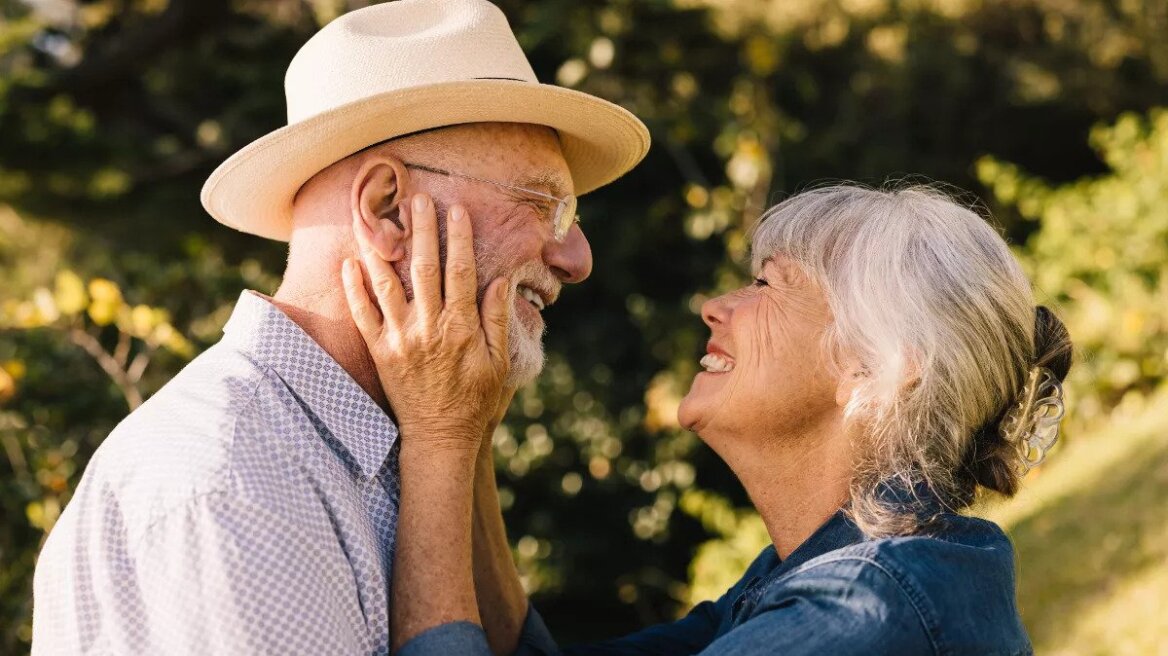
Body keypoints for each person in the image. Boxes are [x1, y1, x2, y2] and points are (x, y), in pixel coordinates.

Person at [31, 0, 649, 653]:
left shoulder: (373, 445)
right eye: (541, 204)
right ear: (387, 211)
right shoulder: (234, 487)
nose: (576, 258)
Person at [345, 184, 1073, 655]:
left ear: (876, 366)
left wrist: (438, 434)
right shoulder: (827, 569)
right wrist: (468, 427)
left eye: (767, 284)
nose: (716, 305)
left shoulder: (864, 612)